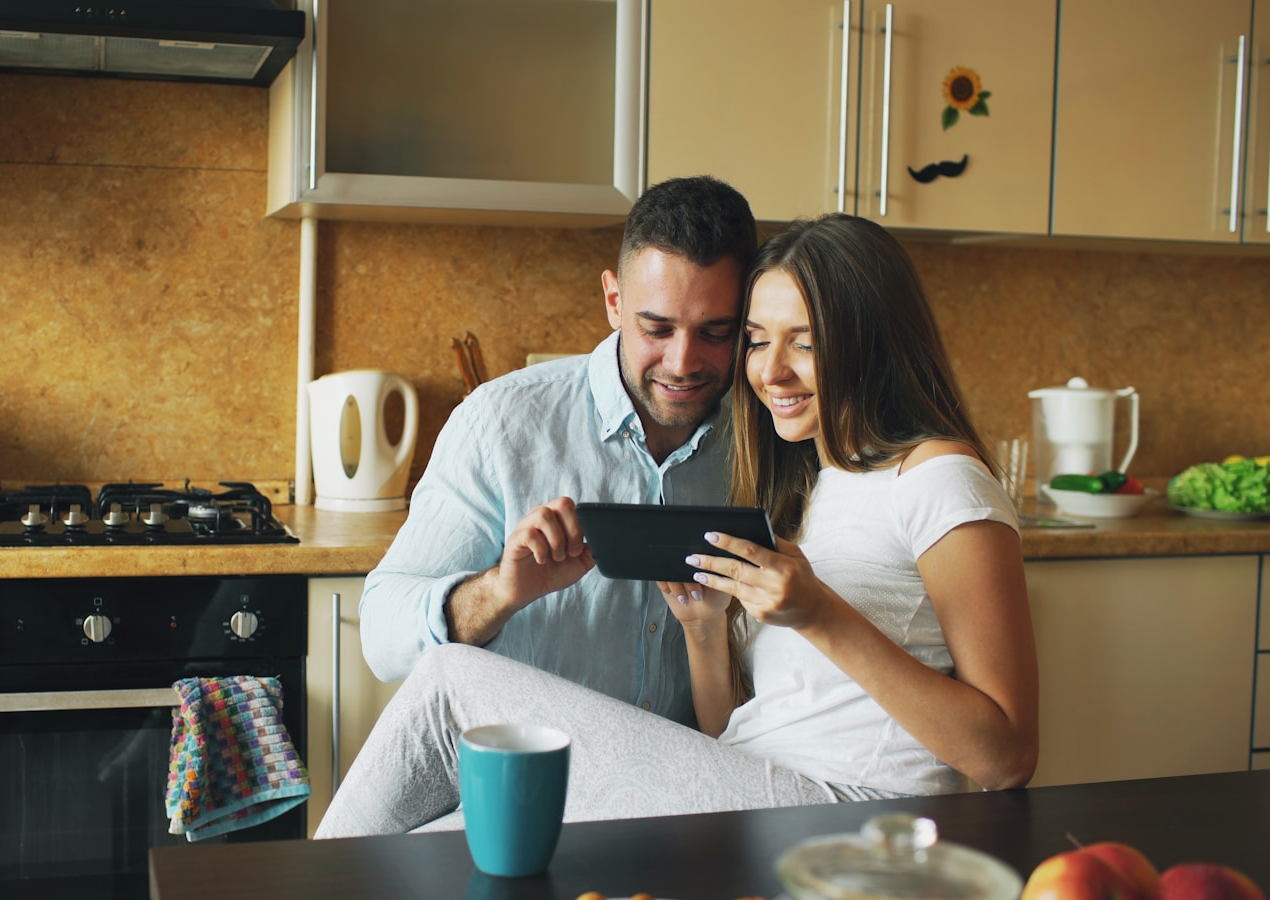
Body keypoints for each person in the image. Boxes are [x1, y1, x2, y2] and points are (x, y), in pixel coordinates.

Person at [315, 213, 1038, 838]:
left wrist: (819, 613)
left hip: (849, 815)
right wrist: (703, 628)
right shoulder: (818, 484)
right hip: (749, 784)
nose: (770, 372)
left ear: (873, 342)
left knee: (450, 682)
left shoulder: (942, 480)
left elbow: (1006, 756)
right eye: (758, 340)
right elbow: (733, 728)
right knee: (440, 843)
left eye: (805, 342)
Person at [358, 176, 759, 728]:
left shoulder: (766, 439)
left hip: (680, 791)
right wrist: (498, 592)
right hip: (530, 790)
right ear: (614, 300)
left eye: (717, 332)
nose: (683, 361)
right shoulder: (500, 422)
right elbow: (381, 639)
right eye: (657, 328)